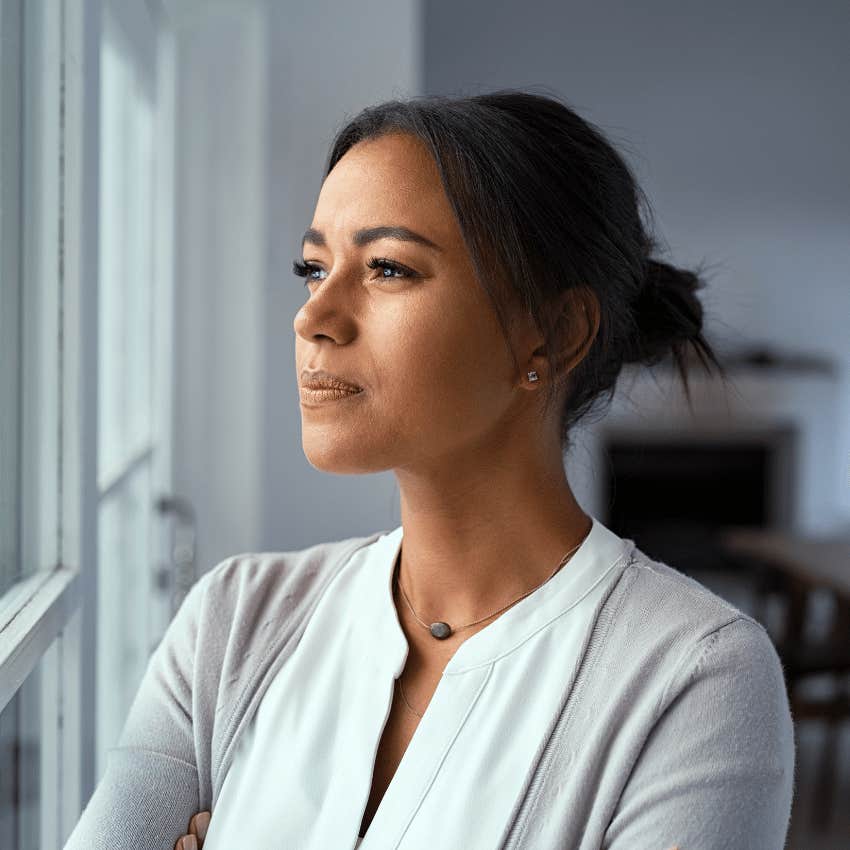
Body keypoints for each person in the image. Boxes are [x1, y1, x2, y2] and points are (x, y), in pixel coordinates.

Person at [65, 90, 795, 850]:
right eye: (313, 268)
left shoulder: (696, 681)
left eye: (387, 268)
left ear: (551, 335)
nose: (313, 316)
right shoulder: (233, 623)